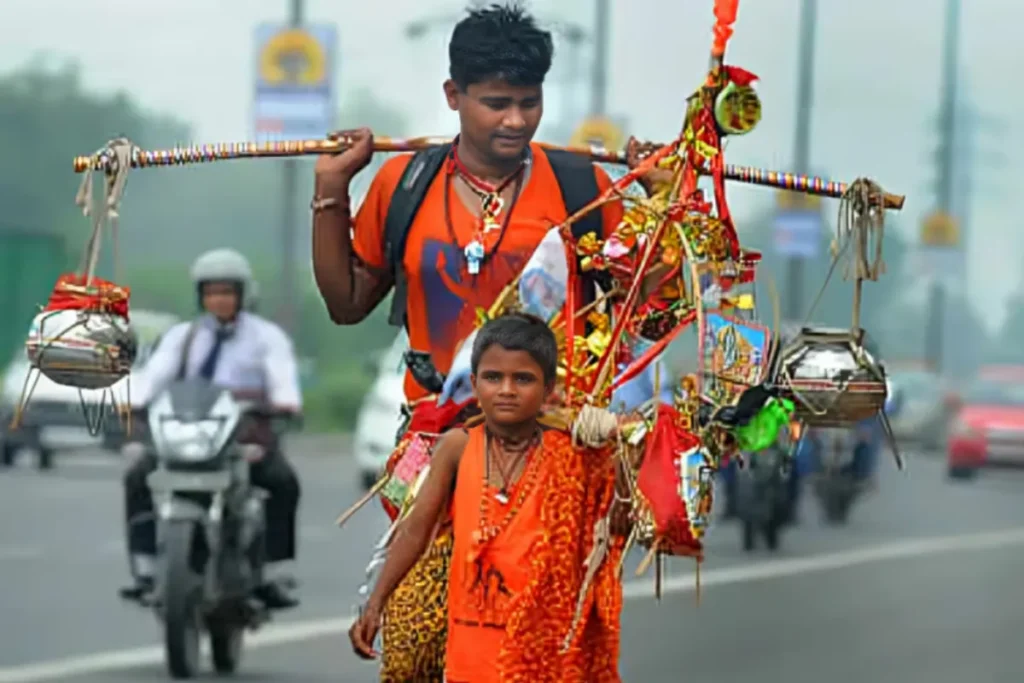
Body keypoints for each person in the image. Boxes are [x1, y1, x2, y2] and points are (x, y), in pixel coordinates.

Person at [311, 4, 649, 678]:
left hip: (549, 450)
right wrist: (330, 189)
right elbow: (347, 304)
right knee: (412, 649)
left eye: (529, 102)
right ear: (453, 97)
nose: (516, 121)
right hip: (432, 438)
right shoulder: (403, 185)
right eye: (496, 103)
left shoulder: (584, 189)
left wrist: (655, 200)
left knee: (532, 649)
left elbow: (648, 303)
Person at [349, 313, 625, 682]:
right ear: (475, 385)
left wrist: (621, 449)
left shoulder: (572, 454)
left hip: (543, 658)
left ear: (547, 390)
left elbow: (618, 523)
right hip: (470, 657)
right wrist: (375, 604)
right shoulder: (457, 447)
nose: (506, 390)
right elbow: (415, 530)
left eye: (523, 379)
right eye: (493, 378)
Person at [118, 248, 303, 610]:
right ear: (201, 296)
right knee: (138, 475)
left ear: (243, 294)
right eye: (211, 292)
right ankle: (145, 567)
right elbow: (155, 376)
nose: (219, 300)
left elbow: (282, 379)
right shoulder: (182, 337)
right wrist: (133, 402)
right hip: (188, 432)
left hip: (244, 434)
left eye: (227, 292)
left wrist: (284, 403)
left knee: (282, 481)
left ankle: (272, 572)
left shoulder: (266, 338)